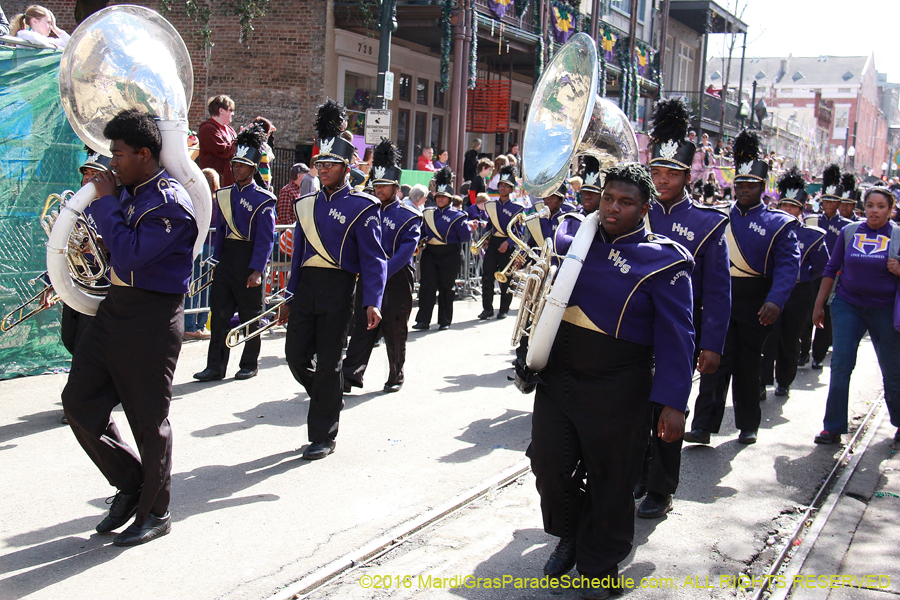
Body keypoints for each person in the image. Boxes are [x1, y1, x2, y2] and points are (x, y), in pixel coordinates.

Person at [526, 164, 695, 599]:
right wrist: (528, 354)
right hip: (560, 374)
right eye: (607, 199)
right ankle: (573, 535)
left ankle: (600, 565)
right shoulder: (570, 239)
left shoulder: (666, 260)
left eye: (625, 202)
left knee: (612, 479)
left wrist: (674, 403)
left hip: (620, 384)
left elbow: (679, 337)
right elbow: (540, 302)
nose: (612, 209)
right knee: (548, 464)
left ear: (645, 209)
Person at [62, 109, 198, 546]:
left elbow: (131, 255)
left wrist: (104, 203)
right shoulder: (130, 190)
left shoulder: (170, 203)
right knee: (79, 404)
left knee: (147, 420)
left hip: (152, 318)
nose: (111, 162)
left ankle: (156, 512)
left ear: (144, 153)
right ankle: (132, 483)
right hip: (116, 309)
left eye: (117, 154)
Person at [639, 97, 731, 519]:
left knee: (669, 406)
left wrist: (712, 343)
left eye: (670, 173)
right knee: (632, 405)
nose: (661, 180)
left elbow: (716, 290)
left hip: (678, 329)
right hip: (632, 325)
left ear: (687, 175)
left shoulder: (708, 223)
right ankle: (637, 474)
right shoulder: (635, 212)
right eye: (656, 171)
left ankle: (662, 488)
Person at [281, 99, 387, 461]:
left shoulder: (362, 206)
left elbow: (374, 260)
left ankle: (323, 434)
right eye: (319, 164)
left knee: (329, 362)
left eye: (329, 164)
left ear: (345, 167)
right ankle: (329, 398)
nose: (322, 169)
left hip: (339, 289)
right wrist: (290, 294)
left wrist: (373, 300)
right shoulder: (306, 205)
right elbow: (297, 256)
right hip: (307, 287)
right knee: (294, 356)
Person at [684, 130, 800, 446]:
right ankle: (703, 425)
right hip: (720, 298)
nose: (744, 189)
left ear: (763, 188)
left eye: (751, 185)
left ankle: (748, 424)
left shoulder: (779, 223)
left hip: (755, 301)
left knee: (748, 366)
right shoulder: (718, 218)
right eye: (740, 184)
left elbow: (790, 266)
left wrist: (776, 301)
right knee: (712, 361)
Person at [812, 186, 900, 445]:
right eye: (871, 205)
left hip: (885, 309)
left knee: (893, 370)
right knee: (840, 365)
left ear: (890, 209)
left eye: (881, 206)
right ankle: (833, 426)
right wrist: (819, 304)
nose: (875, 210)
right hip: (847, 305)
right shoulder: (851, 231)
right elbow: (832, 267)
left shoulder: (897, 236)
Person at [194, 125, 276, 382]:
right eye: (235, 165)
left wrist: (257, 270)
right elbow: (220, 231)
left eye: (242, 165)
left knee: (251, 316)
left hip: (249, 259)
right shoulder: (224, 195)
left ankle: (249, 363)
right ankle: (215, 366)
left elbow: (265, 241)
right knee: (218, 315)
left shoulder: (264, 200)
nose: (237, 169)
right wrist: (216, 261)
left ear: (252, 168)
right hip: (227, 260)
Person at [344, 139, 421, 392]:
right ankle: (351, 374)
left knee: (394, 329)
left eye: (384, 185)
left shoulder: (409, 217)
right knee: (362, 326)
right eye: (376, 184)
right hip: (369, 276)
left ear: (396, 187)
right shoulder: (366, 211)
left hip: (396, 277)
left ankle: (395, 373)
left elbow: (404, 253)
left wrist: (380, 272)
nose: (379, 189)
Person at [760, 168, 828, 398]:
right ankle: (761, 381)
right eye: (784, 206)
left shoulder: (812, 235)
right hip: (771, 288)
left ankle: (784, 380)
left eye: (793, 207)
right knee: (766, 337)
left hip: (799, 291)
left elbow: (822, 265)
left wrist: (804, 276)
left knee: (790, 336)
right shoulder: (767, 229)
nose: (788, 210)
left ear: (801, 209)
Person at [801, 164, 852, 368]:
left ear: (839, 202)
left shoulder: (847, 226)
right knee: (806, 314)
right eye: (825, 200)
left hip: (835, 276)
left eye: (833, 201)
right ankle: (803, 351)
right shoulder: (811, 219)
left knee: (826, 316)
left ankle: (818, 355)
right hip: (812, 274)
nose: (829, 204)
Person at [413, 166, 471, 330]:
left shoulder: (458, 216)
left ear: (449, 198)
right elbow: (422, 232)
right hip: (430, 253)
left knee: (446, 288)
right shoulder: (428, 213)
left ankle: (444, 321)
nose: (439, 199)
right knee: (427, 286)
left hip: (450, 254)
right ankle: (423, 320)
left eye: (443, 197)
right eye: (438, 196)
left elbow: (465, 237)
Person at [479, 164, 524, 320]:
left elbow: (520, 232)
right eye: (501, 185)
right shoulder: (491, 205)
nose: (503, 188)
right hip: (493, 243)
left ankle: (504, 309)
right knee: (487, 276)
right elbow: (490, 225)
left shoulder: (518, 208)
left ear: (511, 189)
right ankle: (487, 309)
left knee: (506, 280)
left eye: (506, 186)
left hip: (508, 244)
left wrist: (509, 243)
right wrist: (485, 238)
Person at [183, 168, 219, 341]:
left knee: (194, 286)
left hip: (198, 246)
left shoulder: (196, 200)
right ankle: (199, 325)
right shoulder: (217, 201)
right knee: (206, 288)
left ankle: (191, 324)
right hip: (210, 248)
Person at [197, 95, 237, 187]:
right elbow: (223, 151)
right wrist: (240, 140)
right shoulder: (207, 128)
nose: (233, 113)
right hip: (215, 183)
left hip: (229, 182)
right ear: (221, 110)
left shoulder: (230, 130)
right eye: (230, 110)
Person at [250, 116, 276, 190]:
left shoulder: (263, 147)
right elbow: (255, 171)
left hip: (264, 186)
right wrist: (265, 188)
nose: (269, 135)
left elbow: (270, 145)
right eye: (269, 132)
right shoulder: (256, 147)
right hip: (259, 188)